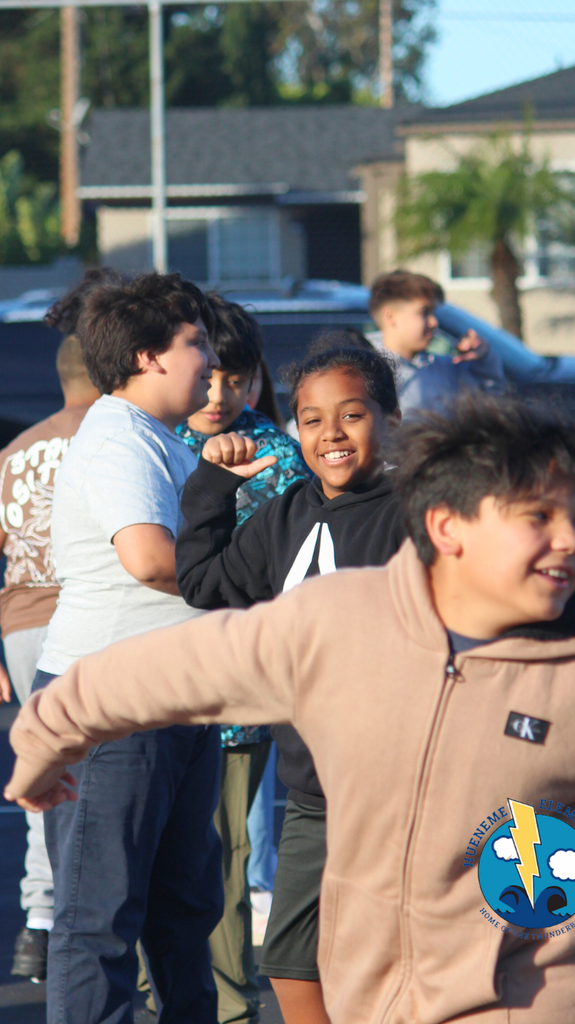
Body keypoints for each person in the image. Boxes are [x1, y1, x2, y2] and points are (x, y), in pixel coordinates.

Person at [5, 392, 575, 1024]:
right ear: (447, 526)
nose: (569, 543)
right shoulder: (338, 624)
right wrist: (44, 742)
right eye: (538, 518)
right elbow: (158, 672)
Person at [177, 338, 403, 1024]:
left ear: (390, 419)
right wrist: (214, 487)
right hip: (313, 794)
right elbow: (204, 582)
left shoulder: (421, 513)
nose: (329, 434)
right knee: (290, 962)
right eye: (310, 419)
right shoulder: (287, 512)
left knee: (408, 962)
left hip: (407, 790)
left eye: (352, 415)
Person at [31, 272, 223, 1024]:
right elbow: (148, 558)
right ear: (148, 356)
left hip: (170, 701)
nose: (211, 361)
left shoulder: (158, 439)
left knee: (183, 910)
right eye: (196, 342)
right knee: (98, 920)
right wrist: (255, 592)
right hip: (113, 707)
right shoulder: (117, 439)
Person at [175, 293, 310, 1024]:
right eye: (207, 377)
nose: (220, 396)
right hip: (148, 693)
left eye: (238, 378)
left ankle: (230, 1007)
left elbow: (270, 576)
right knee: (153, 862)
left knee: (226, 866)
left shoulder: (277, 456)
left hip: (233, 699)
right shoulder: (147, 438)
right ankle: (158, 993)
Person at [0, 288, 104, 980]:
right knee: (112, 773)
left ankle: (39, 926)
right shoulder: (113, 439)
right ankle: (102, 918)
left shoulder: (17, 451)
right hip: (92, 618)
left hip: (22, 626)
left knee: (45, 772)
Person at [368, 268, 504, 413]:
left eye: (433, 313)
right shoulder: (364, 372)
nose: (434, 322)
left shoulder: (443, 369)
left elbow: (490, 401)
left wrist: (483, 359)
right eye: (424, 312)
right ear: (391, 317)